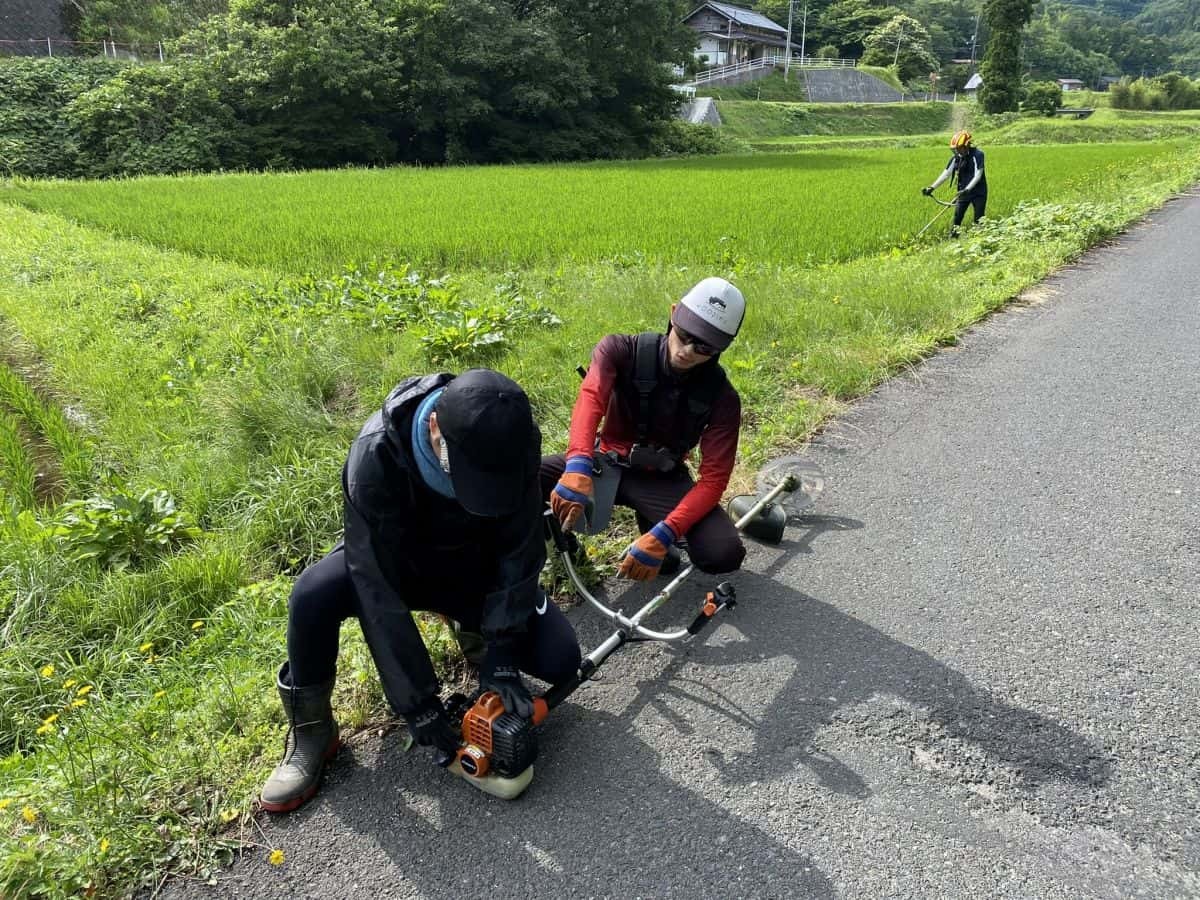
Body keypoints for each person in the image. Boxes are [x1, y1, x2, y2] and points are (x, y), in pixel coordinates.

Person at [260, 368, 582, 813]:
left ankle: (479, 640)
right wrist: (418, 704)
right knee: (313, 594)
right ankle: (312, 731)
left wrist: (504, 649)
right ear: (434, 427)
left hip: (470, 563)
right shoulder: (376, 457)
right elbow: (375, 591)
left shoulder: (513, 438)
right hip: (396, 567)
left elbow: (521, 548)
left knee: (561, 659)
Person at [543, 277, 747, 581]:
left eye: (704, 346)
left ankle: (657, 538)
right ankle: (561, 546)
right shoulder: (620, 349)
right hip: (604, 462)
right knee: (517, 476)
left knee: (723, 552)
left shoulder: (723, 398)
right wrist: (577, 464)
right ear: (673, 313)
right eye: (685, 334)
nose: (687, 351)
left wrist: (666, 532)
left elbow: (714, 479)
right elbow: (591, 399)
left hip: (662, 478)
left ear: (722, 347)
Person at [923, 130, 987, 235]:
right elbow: (946, 174)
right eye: (955, 149)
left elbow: (978, 175)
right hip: (963, 191)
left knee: (979, 218)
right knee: (957, 218)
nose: (957, 151)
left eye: (959, 148)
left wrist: (967, 189)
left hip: (978, 192)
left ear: (966, 146)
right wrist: (932, 187)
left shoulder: (978, 154)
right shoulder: (957, 158)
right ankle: (953, 238)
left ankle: (980, 238)